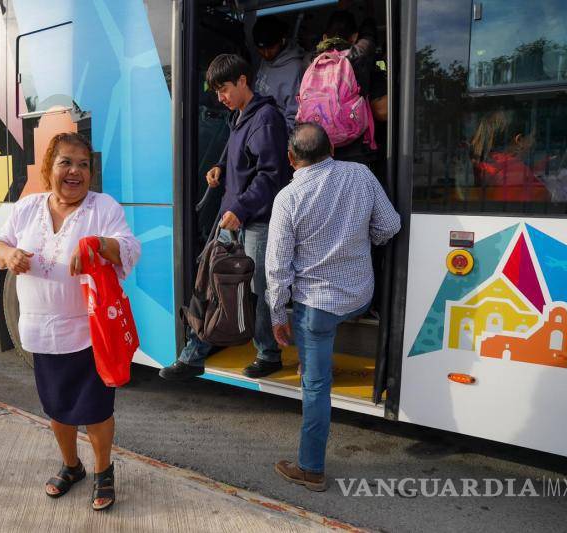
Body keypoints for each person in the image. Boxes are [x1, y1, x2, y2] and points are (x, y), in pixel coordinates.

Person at [0, 132, 141, 511]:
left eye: (83, 164)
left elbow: (129, 247)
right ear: (49, 168)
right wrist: (9, 256)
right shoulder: (28, 208)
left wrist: (96, 245)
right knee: (57, 408)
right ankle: (72, 466)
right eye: (66, 163)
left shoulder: (101, 207)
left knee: (96, 411)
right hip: (40, 332)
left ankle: (103, 471)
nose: (75, 171)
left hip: (89, 333)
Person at [266, 123, 400, 491]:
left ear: (291, 159)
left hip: (318, 308)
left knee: (316, 386)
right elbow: (390, 225)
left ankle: (311, 469)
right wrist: (362, 241)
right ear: (333, 150)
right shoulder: (361, 174)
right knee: (324, 345)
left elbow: (277, 267)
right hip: (360, 297)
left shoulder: (288, 198)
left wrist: (278, 315)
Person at [160, 53, 290, 381]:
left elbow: (270, 176)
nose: (220, 97)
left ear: (243, 81)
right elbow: (236, 152)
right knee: (210, 284)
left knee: (257, 290)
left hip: (254, 220)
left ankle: (269, 353)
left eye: (224, 89)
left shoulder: (266, 118)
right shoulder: (240, 115)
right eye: (216, 91)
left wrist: (241, 209)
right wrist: (219, 166)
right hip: (233, 218)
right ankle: (194, 354)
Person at [314, 10, 380, 164]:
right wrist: (369, 10)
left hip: (320, 146)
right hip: (354, 143)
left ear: (324, 37)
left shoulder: (311, 61)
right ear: (355, 37)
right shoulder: (359, 55)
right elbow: (369, 37)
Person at [470, 110, 549, 202]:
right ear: (519, 140)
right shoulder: (518, 172)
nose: (534, 142)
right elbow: (545, 200)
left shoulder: (485, 163)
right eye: (533, 137)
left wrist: (537, 168)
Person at [252, 16, 306, 132]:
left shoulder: (295, 69)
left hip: (276, 134)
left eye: (270, 48)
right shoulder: (266, 59)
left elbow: (294, 119)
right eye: (261, 49)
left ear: (282, 40)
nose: (266, 54)